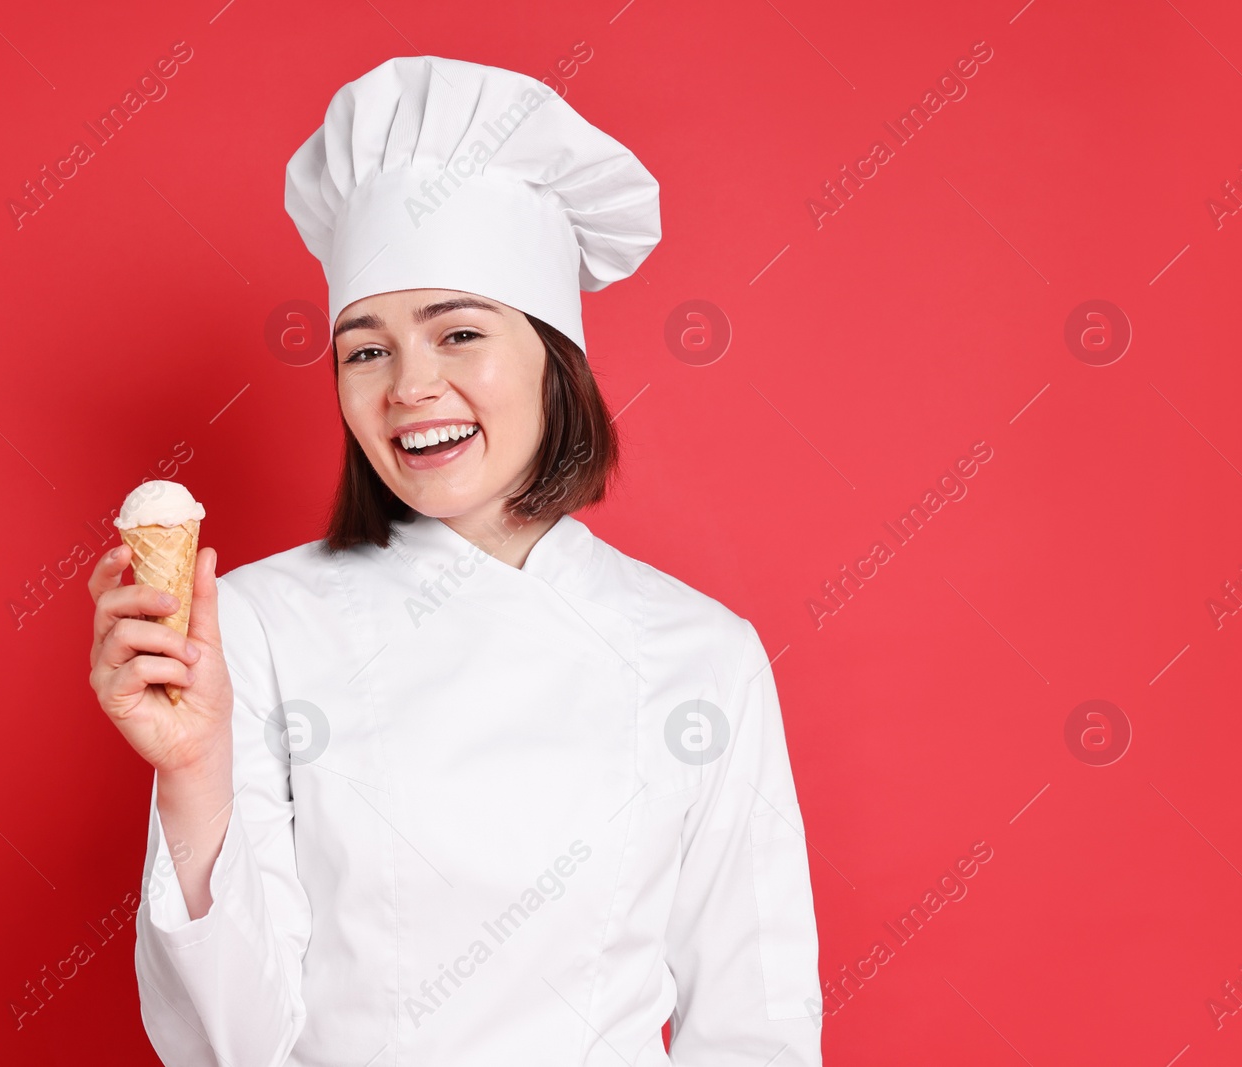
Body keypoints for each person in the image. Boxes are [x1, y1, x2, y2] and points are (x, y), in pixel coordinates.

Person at [88, 54, 823, 1066]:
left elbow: (758, 1026)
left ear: (552, 358)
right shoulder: (252, 625)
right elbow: (228, 1043)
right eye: (364, 348)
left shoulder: (701, 652)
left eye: (459, 332)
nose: (408, 386)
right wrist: (191, 774)